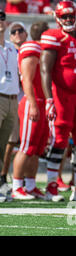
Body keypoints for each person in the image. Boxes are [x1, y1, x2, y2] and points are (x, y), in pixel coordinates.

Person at [40, 0, 76, 202]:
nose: (68, 19)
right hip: (62, 95)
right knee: (60, 140)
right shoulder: (54, 38)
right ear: (57, 18)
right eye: (64, 16)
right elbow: (45, 70)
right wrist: (49, 99)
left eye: (71, 16)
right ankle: (51, 186)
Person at [11, 21, 50, 200]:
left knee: (36, 148)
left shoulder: (40, 50)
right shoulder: (32, 49)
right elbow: (27, 80)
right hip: (31, 102)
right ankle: (17, 185)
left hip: (41, 102)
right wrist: (33, 103)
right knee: (26, 146)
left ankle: (31, 185)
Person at [0, 10, 19, 202]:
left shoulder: (11, 48)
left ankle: (0, 183)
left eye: (2, 18)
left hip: (12, 98)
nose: (0, 22)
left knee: (4, 145)